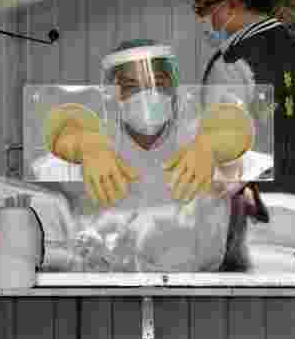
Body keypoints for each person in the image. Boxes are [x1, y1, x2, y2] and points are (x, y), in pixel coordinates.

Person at [37, 39, 258, 272]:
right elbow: (59, 130)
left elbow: (235, 127)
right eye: (132, 86)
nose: (147, 96)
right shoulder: (97, 145)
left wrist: (209, 146)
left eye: (158, 84)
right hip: (110, 285)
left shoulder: (195, 138)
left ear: (174, 89)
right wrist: (87, 146)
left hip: (194, 285)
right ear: (111, 93)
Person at [193, 0, 295, 208]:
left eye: (204, 6)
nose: (200, 16)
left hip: (263, 215)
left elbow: (228, 169)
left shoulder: (232, 63)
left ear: (231, 5)